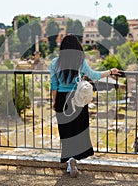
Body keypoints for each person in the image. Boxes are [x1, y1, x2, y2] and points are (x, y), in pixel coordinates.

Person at [49, 34, 122, 178]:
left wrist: (54, 101)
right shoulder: (80, 61)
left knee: (66, 131)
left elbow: (54, 85)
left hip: (62, 100)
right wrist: (110, 72)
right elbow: (93, 75)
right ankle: (74, 159)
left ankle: (69, 160)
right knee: (78, 130)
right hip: (78, 99)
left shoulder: (54, 63)